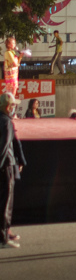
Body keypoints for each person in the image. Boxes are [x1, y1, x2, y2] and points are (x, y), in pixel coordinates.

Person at [1, 92, 25, 248]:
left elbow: (14, 143)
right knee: (5, 202)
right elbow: (4, 147)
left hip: (6, 164)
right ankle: (3, 238)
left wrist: (21, 159)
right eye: (13, 105)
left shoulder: (5, 120)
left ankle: (5, 233)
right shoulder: (6, 122)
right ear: (8, 106)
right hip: (5, 166)